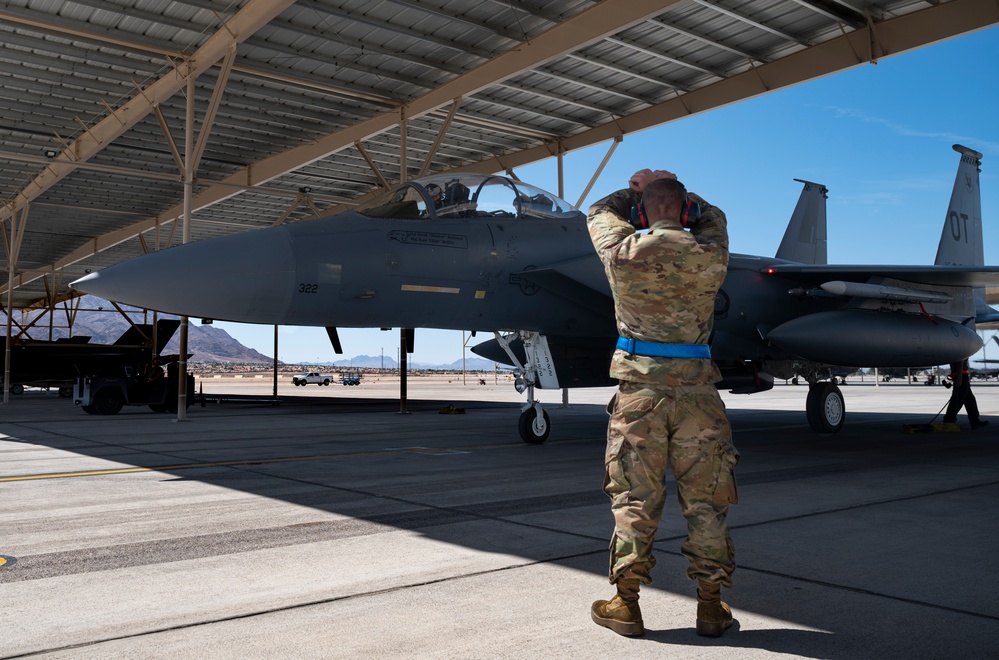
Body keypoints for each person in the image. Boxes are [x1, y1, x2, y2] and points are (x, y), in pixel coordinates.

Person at [586, 169, 739, 638]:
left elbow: (598, 212)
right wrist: (679, 190)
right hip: (698, 397)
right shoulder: (711, 252)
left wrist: (635, 190)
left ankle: (626, 605)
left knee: (635, 500)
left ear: (645, 211)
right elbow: (714, 216)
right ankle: (712, 607)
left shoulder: (622, 252)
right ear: (685, 209)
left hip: (640, 397)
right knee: (707, 505)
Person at [943, 359, 989, 428]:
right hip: (961, 376)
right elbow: (960, 362)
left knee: (970, 400)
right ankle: (949, 421)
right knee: (957, 400)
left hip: (961, 376)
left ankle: (974, 421)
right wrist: (959, 379)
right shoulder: (961, 351)